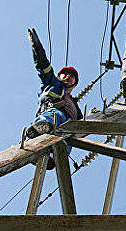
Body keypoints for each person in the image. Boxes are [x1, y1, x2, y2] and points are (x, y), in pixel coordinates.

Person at [26, 28, 83, 168]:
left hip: (69, 125)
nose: (67, 77)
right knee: (53, 116)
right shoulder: (52, 83)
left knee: (67, 139)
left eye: (71, 77)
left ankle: (54, 156)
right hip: (54, 113)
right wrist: (37, 47)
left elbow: (81, 123)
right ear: (59, 76)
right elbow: (43, 66)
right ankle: (39, 130)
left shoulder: (74, 105)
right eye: (65, 74)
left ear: (74, 84)